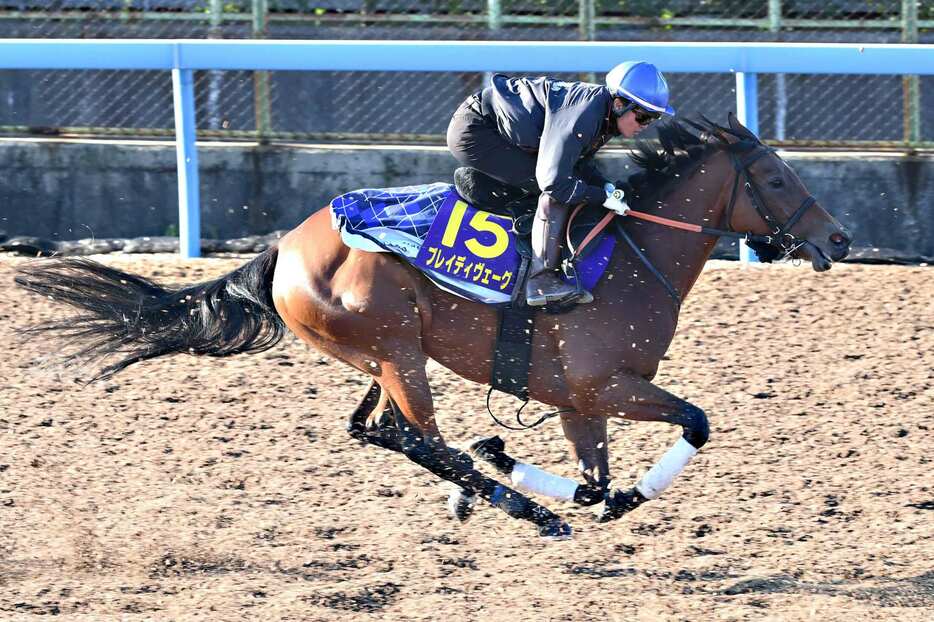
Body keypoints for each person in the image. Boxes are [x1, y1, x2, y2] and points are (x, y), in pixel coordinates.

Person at [446, 60, 675, 306]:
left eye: (653, 119)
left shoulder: (604, 114)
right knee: (558, 192)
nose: (646, 126)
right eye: (642, 117)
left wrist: (607, 187)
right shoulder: (585, 115)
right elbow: (555, 184)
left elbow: (580, 163)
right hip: (477, 131)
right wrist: (601, 196)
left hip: (500, 128)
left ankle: (486, 189)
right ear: (619, 104)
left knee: (572, 185)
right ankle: (540, 281)